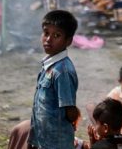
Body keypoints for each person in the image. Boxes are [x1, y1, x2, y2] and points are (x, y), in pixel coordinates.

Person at [28, 10, 80, 148]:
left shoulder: (62, 71)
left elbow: (70, 111)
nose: (48, 39)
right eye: (46, 33)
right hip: (42, 138)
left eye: (56, 35)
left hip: (56, 143)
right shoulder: (47, 65)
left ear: (68, 40)